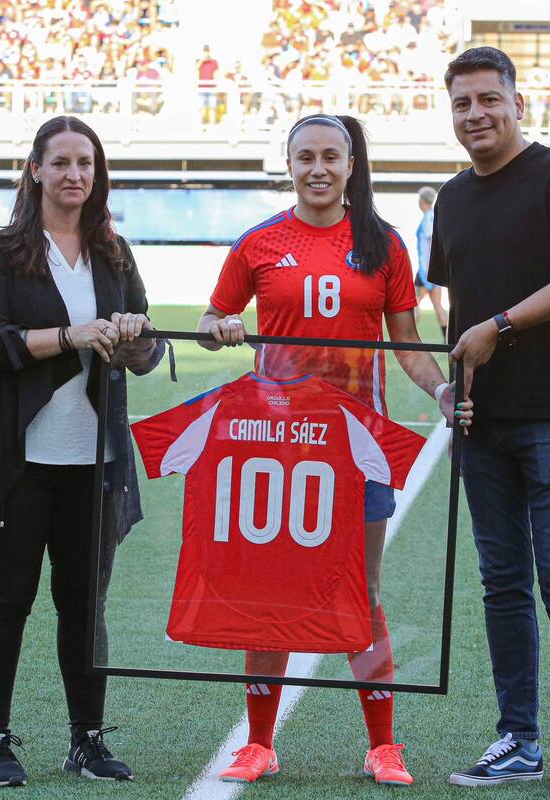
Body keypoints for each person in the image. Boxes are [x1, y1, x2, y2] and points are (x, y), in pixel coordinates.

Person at [198, 113, 472, 787]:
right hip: (278, 446)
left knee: (362, 593)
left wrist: (440, 392)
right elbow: (211, 319)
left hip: (356, 448)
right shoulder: (258, 244)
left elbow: (407, 345)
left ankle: (384, 745)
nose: (317, 168)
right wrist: (221, 329)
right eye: (304, 157)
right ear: (288, 165)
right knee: (271, 594)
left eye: (330, 156)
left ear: (351, 164)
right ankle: (260, 743)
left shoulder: (380, 245)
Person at [0, 115, 165, 788]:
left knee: (84, 606)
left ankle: (87, 741)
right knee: (7, 602)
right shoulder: (3, 250)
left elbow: (147, 351)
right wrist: (70, 335)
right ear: (35, 169)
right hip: (17, 461)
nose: (75, 174)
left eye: (87, 163)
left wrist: (133, 338)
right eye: (62, 161)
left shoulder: (114, 252)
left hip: (93, 464)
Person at [428, 48, 550, 799]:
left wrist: (499, 326)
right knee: (501, 583)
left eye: (488, 100)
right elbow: (451, 300)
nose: (476, 114)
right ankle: (519, 740)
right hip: (483, 420)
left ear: (517, 102)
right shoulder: (451, 197)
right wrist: (449, 381)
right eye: (463, 103)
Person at [414, 185, 449, 341]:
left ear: (423, 201)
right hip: (429, 269)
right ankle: (448, 340)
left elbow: (430, 241)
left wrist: (427, 270)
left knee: (414, 305)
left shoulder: (428, 218)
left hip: (425, 270)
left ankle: (408, 338)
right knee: (437, 306)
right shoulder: (430, 216)